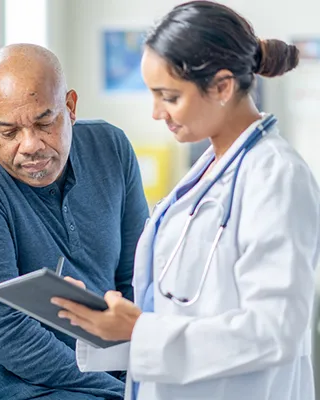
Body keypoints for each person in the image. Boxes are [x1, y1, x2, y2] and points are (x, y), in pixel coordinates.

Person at [51, 2, 320, 399]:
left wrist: (140, 332)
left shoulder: (276, 176)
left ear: (223, 86)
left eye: (169, 96)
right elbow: (178, 312)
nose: (157, 112)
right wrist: (110, 325)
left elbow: (274, 330)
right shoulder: (209, 171)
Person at [0, 44, 149, 400]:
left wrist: (146, 370)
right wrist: (124, 393)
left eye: (45, 123)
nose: (30, 145)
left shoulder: (112, 148)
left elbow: (136, 279)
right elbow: (5, 332)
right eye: (9, 131)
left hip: (97, 355)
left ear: (71, 107)